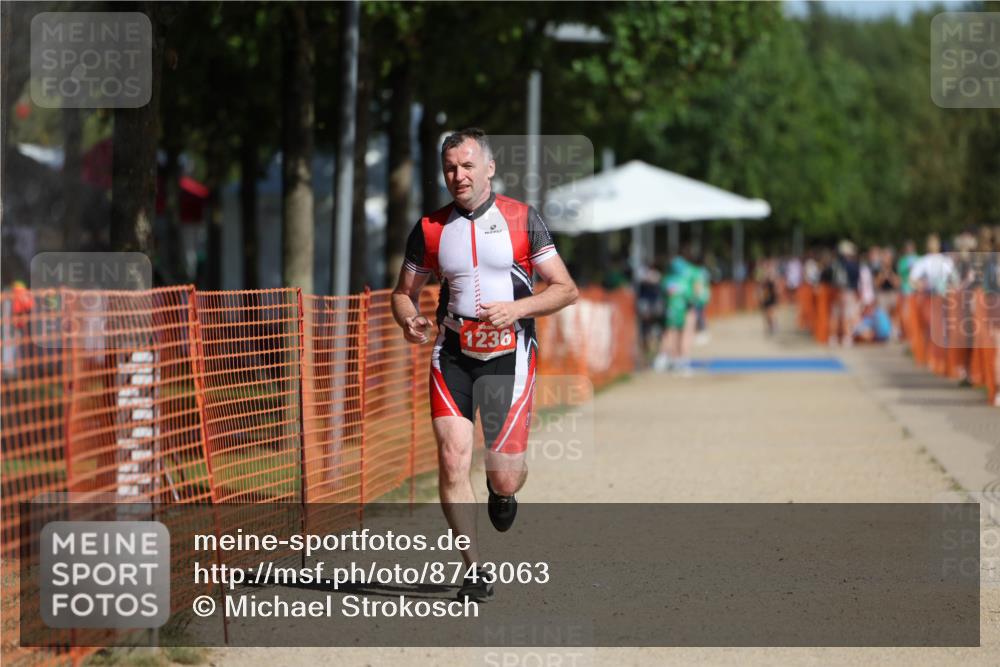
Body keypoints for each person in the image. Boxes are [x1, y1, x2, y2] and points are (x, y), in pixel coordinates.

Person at [390, 128, 578, 602]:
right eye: (451, 168)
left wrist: (517, 309)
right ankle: (473, 570)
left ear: (489, 168)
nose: (459, 175)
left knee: (504, 472)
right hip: (451, 354)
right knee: (453, 456)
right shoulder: (430, 228)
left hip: (509, 354)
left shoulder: (522, 219)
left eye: (468, 165)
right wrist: (410, 320)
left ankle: (504, 490)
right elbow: (402, 294)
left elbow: (564, 288)